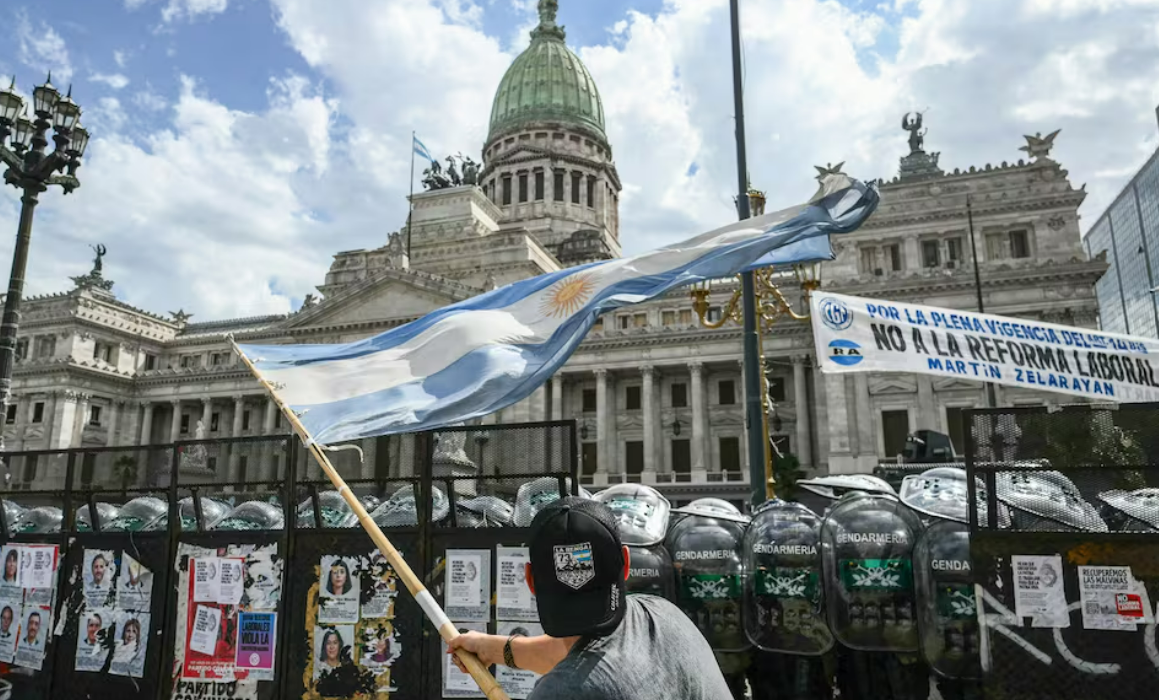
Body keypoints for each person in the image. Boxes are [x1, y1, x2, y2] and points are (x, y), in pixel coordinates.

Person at [448, 497, 732, 699]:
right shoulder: (662, 614)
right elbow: (576, 656)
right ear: (625, 563)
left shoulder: (563, 691)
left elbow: (582, 669)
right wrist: (490, 648)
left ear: (530, 580)